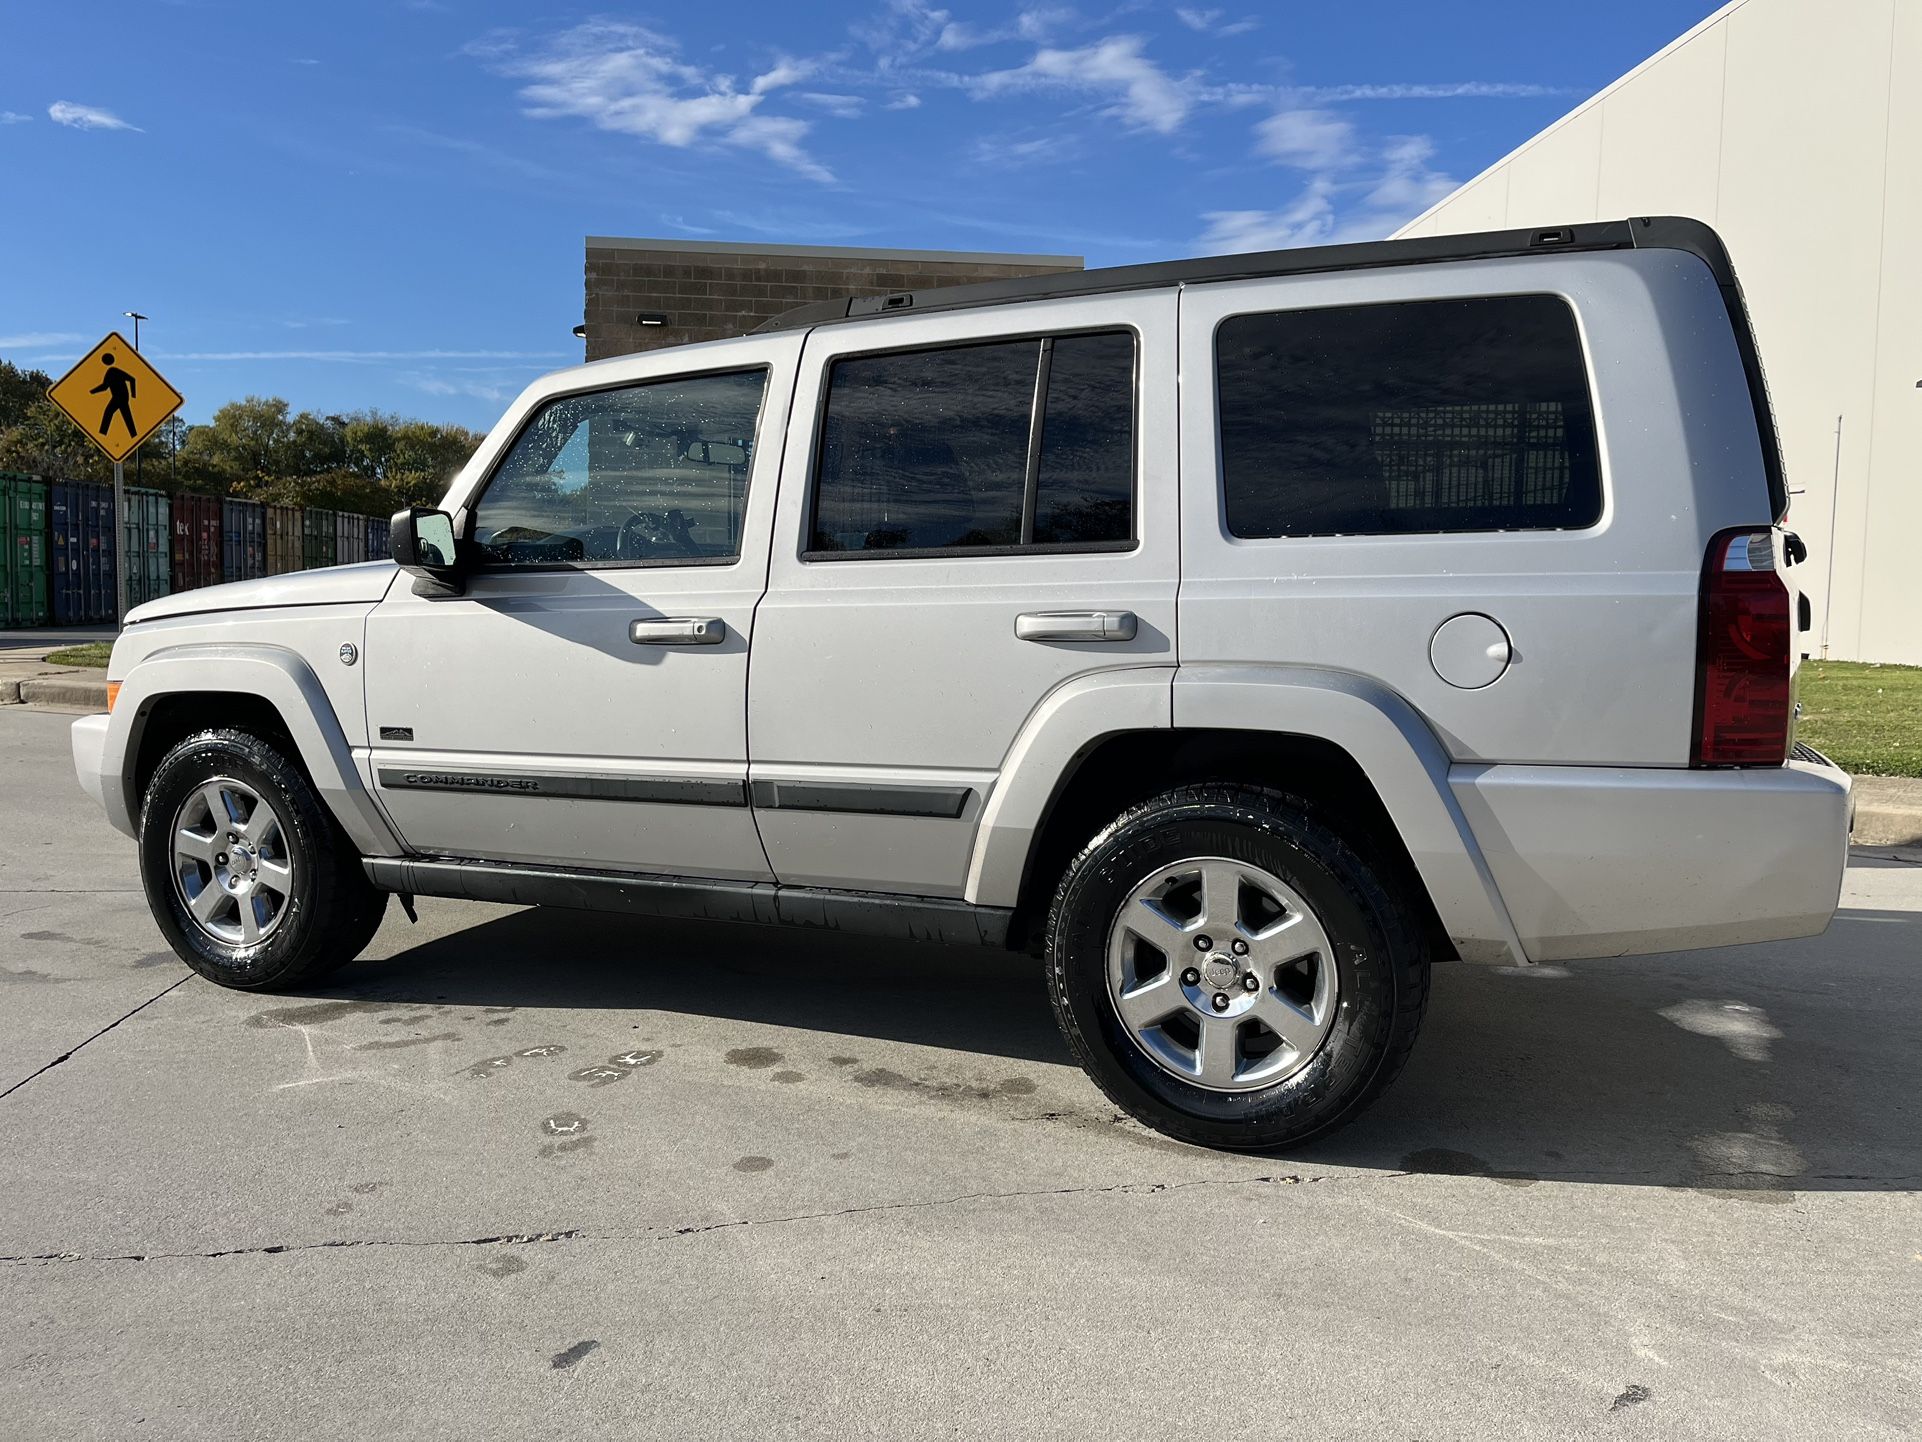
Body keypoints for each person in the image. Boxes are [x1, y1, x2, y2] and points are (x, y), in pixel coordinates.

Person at [91, 353, 137, 439]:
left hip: (120, 397)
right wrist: (92, 392)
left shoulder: (113, 371)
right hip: (119, 397)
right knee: (126, 417)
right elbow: (105, 386)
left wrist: (134, 395)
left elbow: (132, 379)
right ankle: (133, 435)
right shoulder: (111, 371)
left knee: (109, 413)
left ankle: (102, 434)